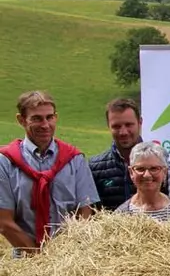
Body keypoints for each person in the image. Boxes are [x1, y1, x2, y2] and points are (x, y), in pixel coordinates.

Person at [0, 91, 99, 253]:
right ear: (21, 120)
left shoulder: (74, 159)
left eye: (49, 117)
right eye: (37, 119)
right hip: (25, 260)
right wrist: (40, 259)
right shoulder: (5, 162)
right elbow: (4, 222)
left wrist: (68, 255)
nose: (45, 125)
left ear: (56, 117)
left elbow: (85, 213)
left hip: (69, 259)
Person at [89, 98, 170, 211]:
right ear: (108, 126)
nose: (123, 132)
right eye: (116, 126)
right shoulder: (95, 168)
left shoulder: (166, 163)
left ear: (140, 122)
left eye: (129, 125)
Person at [115, 142, 170, 223]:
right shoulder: (121, 215)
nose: (147, 175)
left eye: (154, 168)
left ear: (165, 172)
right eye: (140, 169)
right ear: (131, 173)